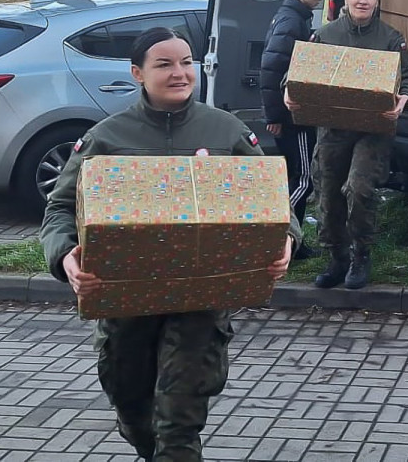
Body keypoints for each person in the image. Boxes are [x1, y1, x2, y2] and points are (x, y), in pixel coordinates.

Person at [40, 27, 301, 461]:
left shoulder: (225, 130)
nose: (180, 73)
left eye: (185, 62)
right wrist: (65, 255)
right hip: (124, 299)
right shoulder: (107, 138)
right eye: (164, 64)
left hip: (200, 300)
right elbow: (60, 208)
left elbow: (272, 200)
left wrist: (286, 239)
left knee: (178, 424)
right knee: (133, 409)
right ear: (137, 73)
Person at [286, 0, 408, 290]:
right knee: (329, 195)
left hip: (373, 132)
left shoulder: (390, 38)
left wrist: (404, 99)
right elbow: (297, 74)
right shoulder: (325, 36)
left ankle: (361, 253)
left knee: (359, 188)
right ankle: (337, 257)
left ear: (377, 2)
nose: (363, 0)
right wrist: (288, 93)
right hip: (333, 130)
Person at [260, 0, 326, 262]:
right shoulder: (291, 22)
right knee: (303, 180)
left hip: (294, 114)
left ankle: (289, 243)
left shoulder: (292, 16)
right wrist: (275, 116)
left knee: (296, 178)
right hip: (292, 118)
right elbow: (271, 68)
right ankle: (283, 236)